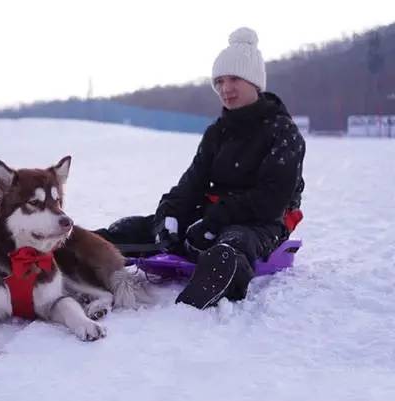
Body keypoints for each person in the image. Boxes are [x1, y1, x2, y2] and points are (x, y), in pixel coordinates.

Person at [95, 27, 306, 309]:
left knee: (235, 242)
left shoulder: (284, 132)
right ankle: (79, 251)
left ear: (254, 82)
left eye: (233, 79)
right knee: (135, 228)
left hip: (263, 221)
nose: (225, 88)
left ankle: (210, 287)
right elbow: (192, 182)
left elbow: (271, 200)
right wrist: (169, 215)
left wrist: (214, 220)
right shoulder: (217, 132)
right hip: (211, 217)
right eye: (219, 81)